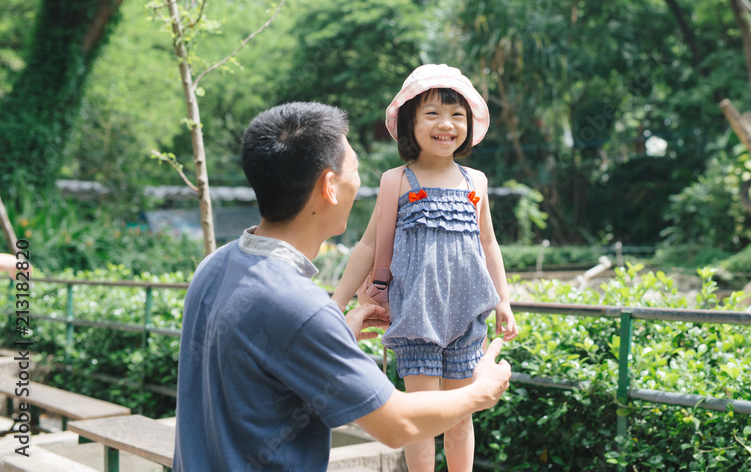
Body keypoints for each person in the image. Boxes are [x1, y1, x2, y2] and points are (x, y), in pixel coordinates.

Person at [173, 102, 510, 472]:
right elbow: (400, 425)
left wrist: (335, 328)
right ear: (330, 187)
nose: (362, 181)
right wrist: (482, 391)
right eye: (355, 169)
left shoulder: (214, 267)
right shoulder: (301, 307)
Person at [333, 64, 518, 472]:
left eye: (457, 115)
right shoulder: (396, 180)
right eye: (432, 113)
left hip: (467, 317)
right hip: (416, 316)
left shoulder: (477, 182)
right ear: (410, 124)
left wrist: (503, 300)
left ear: (469, 125)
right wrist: (336, 302)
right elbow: (367, 244)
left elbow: (488, 242)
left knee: (459, 418)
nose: (446, 124)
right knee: (421, 422)